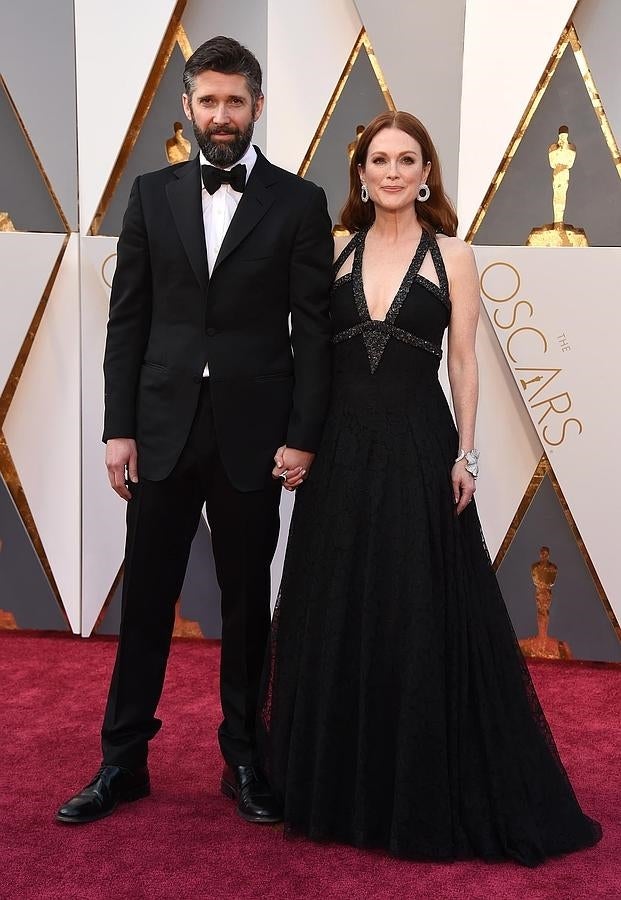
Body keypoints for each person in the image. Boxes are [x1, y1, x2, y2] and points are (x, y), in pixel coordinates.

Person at [260, 111, 602, 866]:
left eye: (405, 159)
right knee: (333, 605)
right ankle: (336, 787)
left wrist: (467, 455)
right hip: (341, 451)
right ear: (359, 173)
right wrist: (301, 439)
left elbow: (465, 362)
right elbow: (308, 358)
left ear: (425, 174)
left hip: (420, 446)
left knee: (413, 607)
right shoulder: (336, 252)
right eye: (377, 158)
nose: (390, 170)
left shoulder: (455, 254)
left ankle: (415, 785)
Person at [56, 36, 333, 825]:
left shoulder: (300, 202)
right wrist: (118, 429)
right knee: (145, 599)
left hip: (257, 433)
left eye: (234, 101)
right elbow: (128, 320)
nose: (221, 115)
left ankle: (244, 760)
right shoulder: (149, 195)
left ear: (257, 106)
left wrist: (304, 433)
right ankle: (121, 763)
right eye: (207, 101)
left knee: (249, 606)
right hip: (162, 428)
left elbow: (312, 332)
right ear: (186, 107)